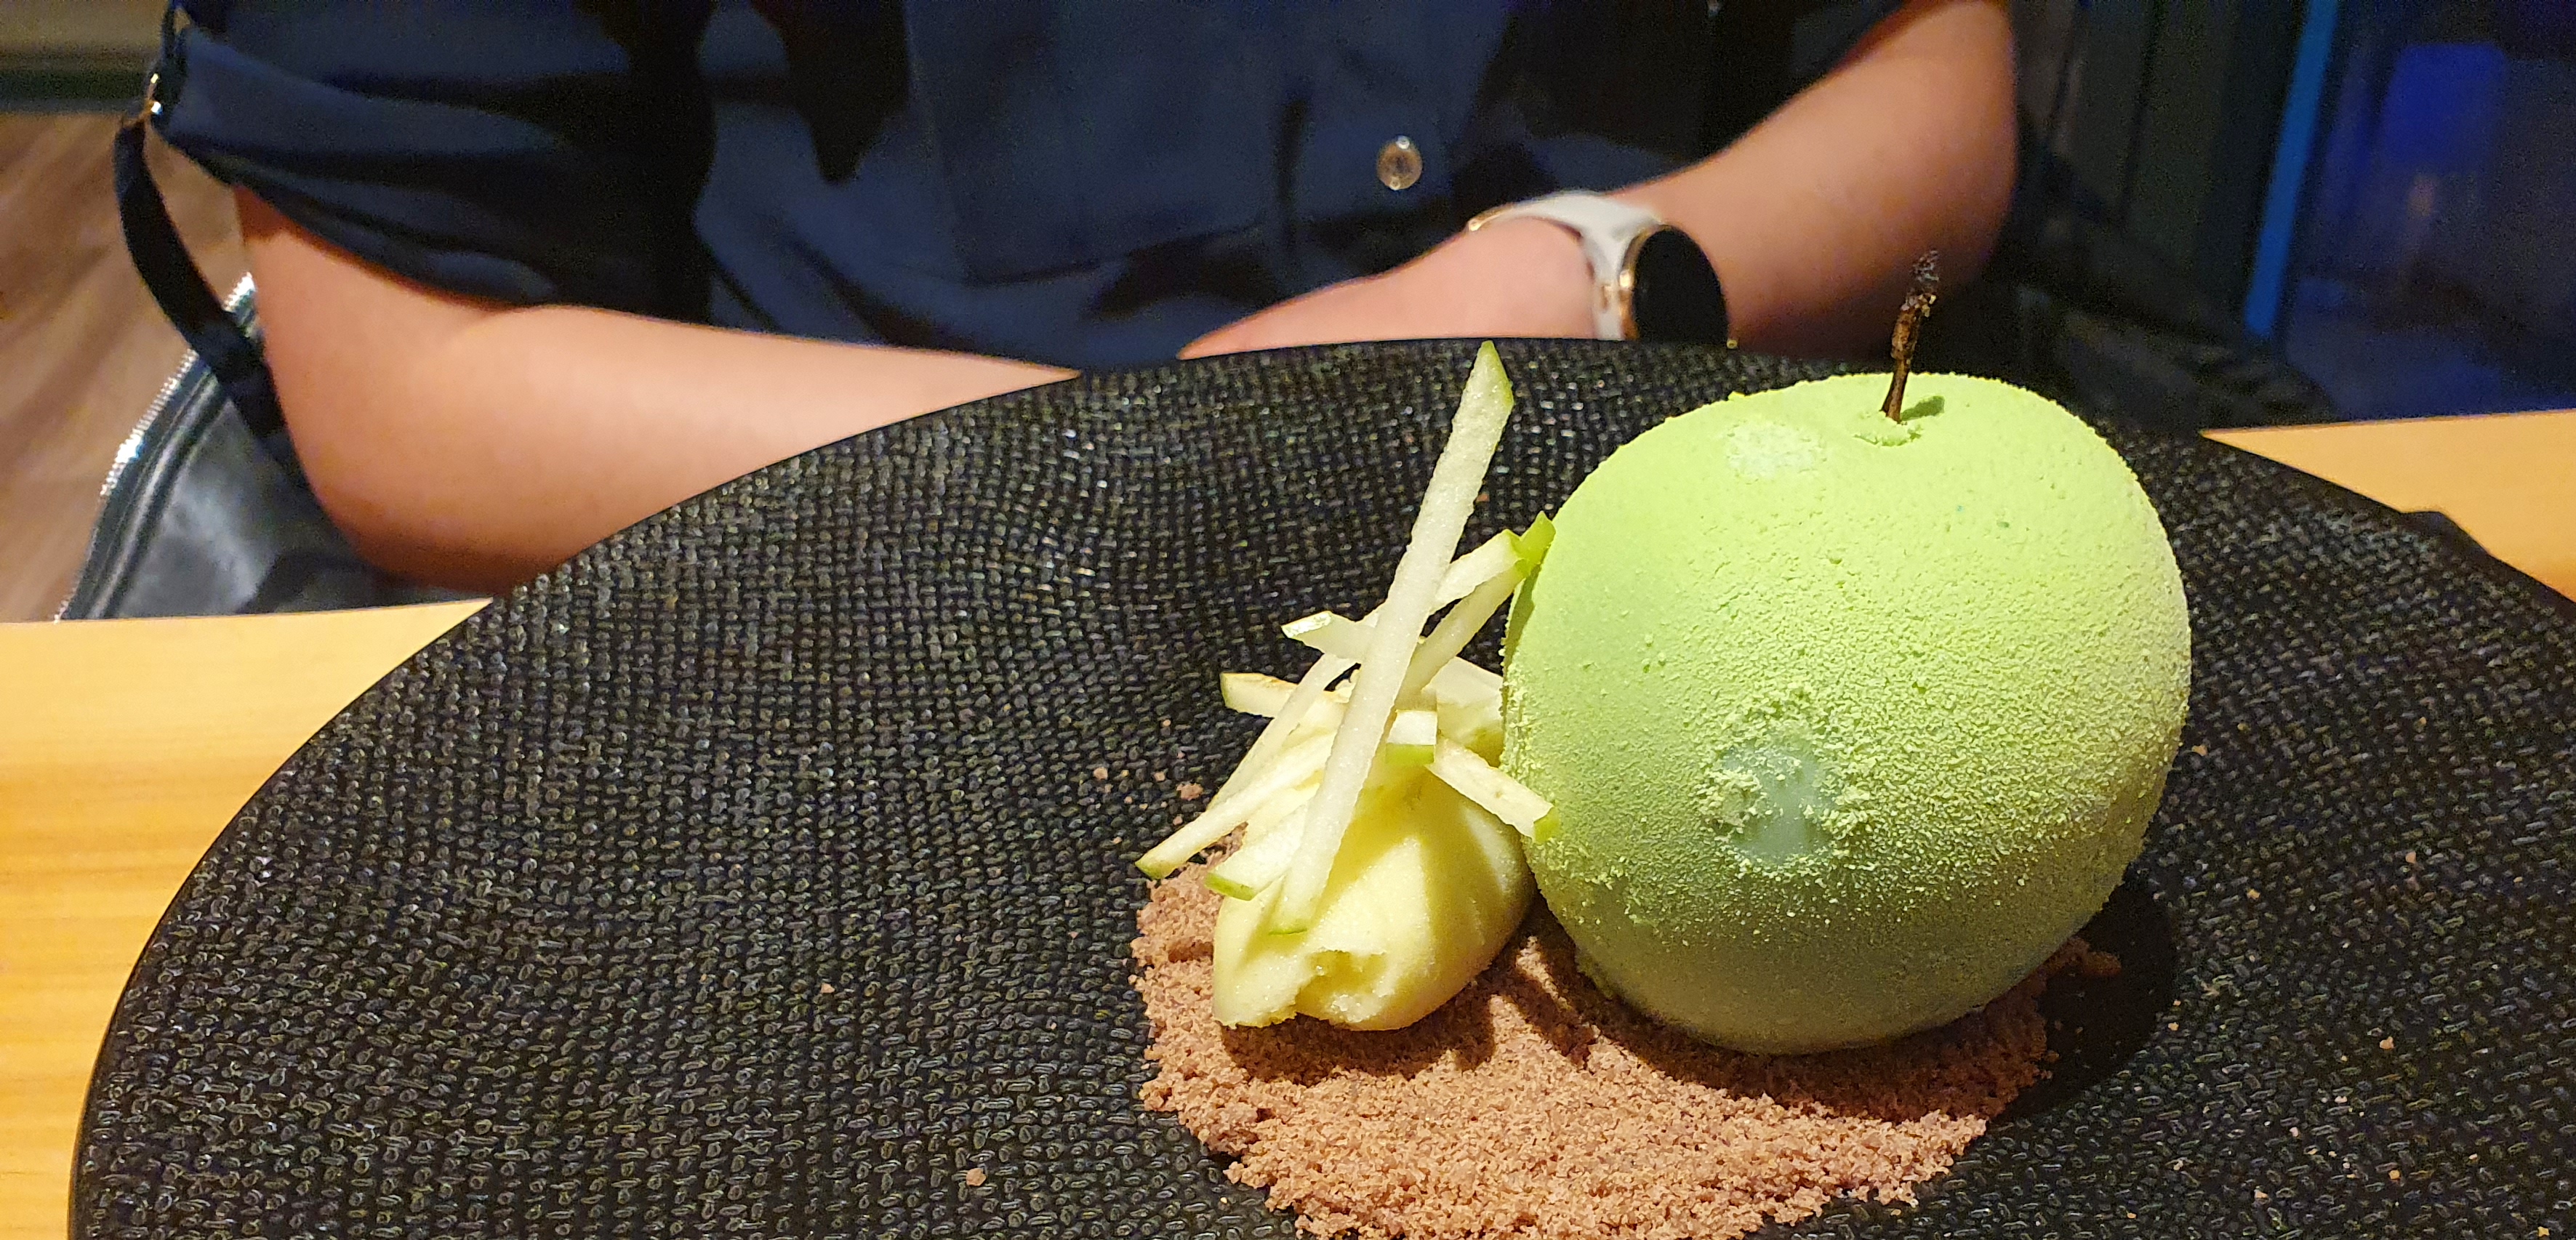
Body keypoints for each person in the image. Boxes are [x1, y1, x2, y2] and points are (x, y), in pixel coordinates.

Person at [151, 1, 2016, 593]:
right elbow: (405, 385)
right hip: (873, 607)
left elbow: (1933, 72)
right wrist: (1146, 467)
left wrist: (1574, 268)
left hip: (1685, 493)